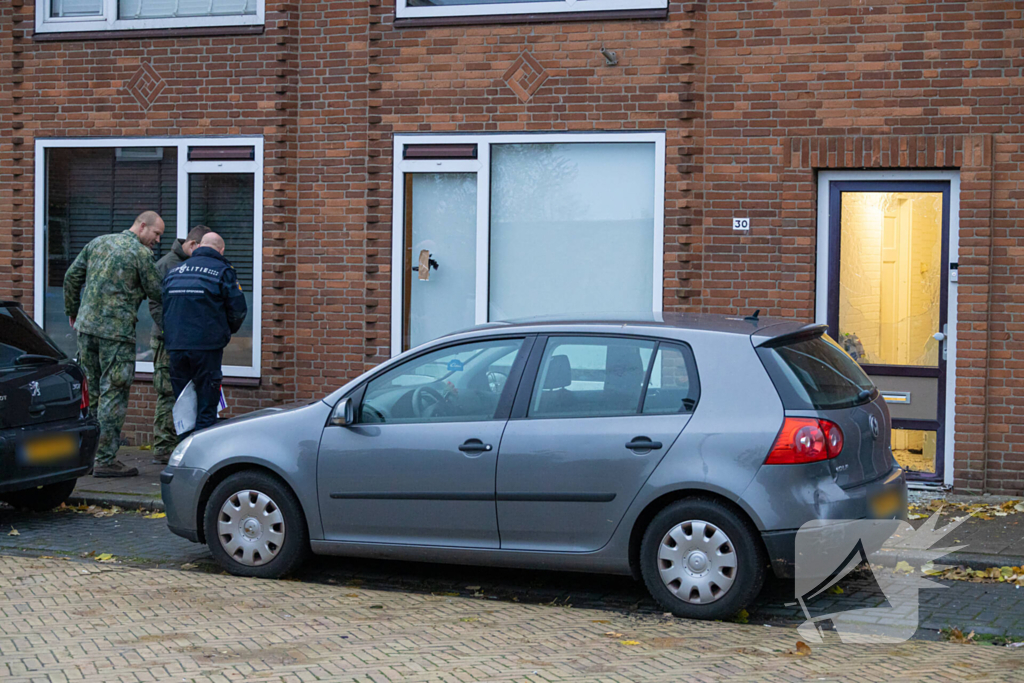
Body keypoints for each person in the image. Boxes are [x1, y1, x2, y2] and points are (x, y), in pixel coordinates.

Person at [63, 211, 165, 478]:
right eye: (156, 234)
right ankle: (105, 460)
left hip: (86, 330)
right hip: (116, 334)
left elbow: (71, 278)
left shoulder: (97, 243)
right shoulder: (140, 254)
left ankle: (86, 456)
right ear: (143, 226)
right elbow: (158, 291)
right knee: (114, 394)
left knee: (92, 393)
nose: (157, 240)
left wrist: (73, 311)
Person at [162, 232, 247, 432]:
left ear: (198, 246)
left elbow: (164, 308)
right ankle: (203, 456)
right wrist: (225, 333)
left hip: (176, 346)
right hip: (206, 347)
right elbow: (238, 310)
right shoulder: (223, 271)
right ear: (221, 250)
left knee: (183, 404)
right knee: (207, 405)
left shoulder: (175, 271)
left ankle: (184, 451)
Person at [148, 224, 211, 465]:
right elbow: (155, 304)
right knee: (167, 391)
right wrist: (171, 331)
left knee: (185, 392)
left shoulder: (189, 263)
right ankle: (163, 446)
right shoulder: (166, 265)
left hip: (185, 339)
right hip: (168, 340)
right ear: (193, 245)